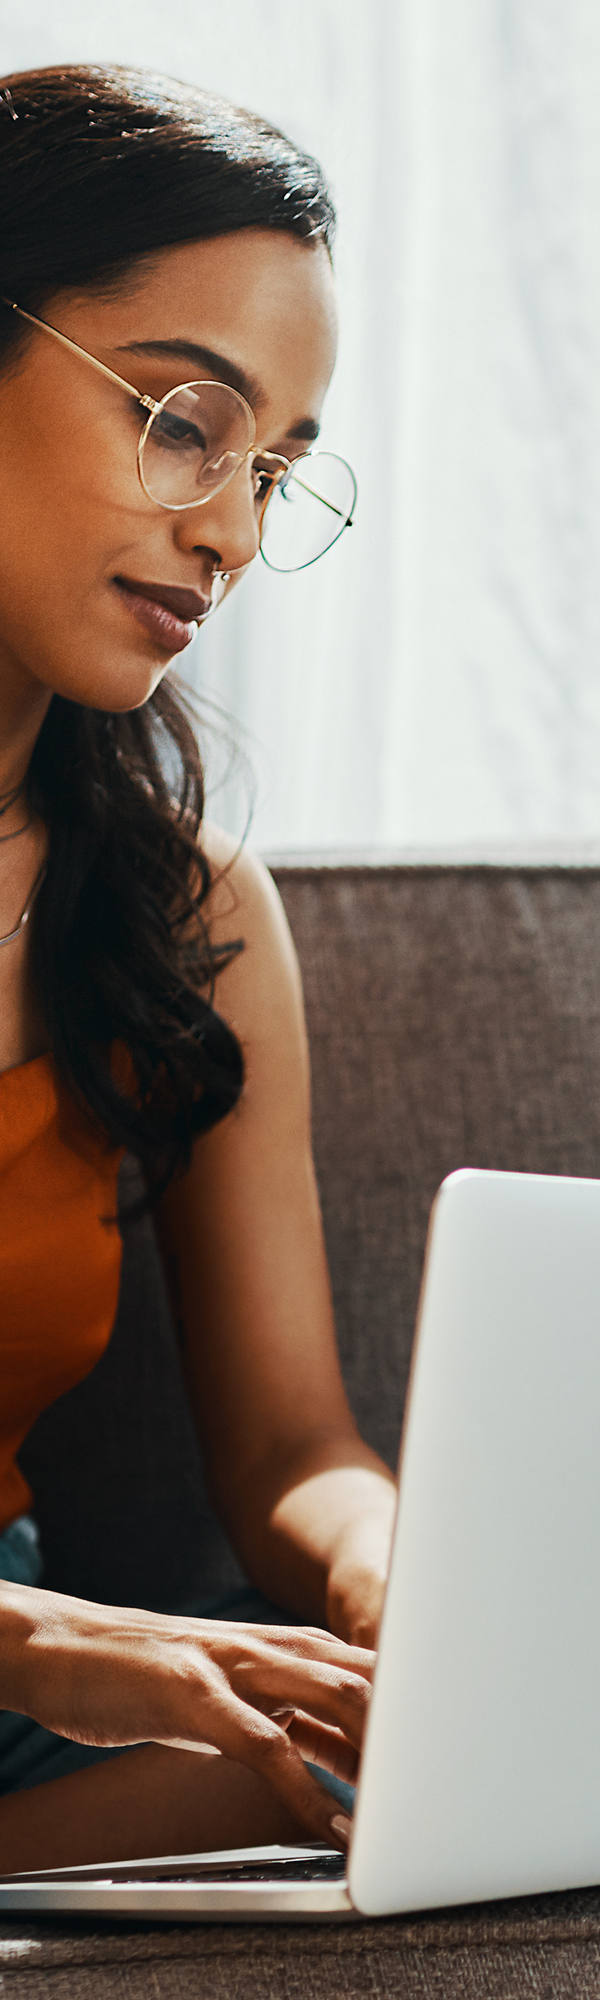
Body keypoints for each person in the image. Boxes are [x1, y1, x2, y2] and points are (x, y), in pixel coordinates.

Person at [0, 61, 396, 1875]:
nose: (234, 533)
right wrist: (43, 1644)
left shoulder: (186, 915)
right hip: (39, 1661)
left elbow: (294, 1448)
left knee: (355, 1779)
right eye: (182, 421)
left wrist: (391, 1582)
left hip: (44, 1693)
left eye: (278, 473)